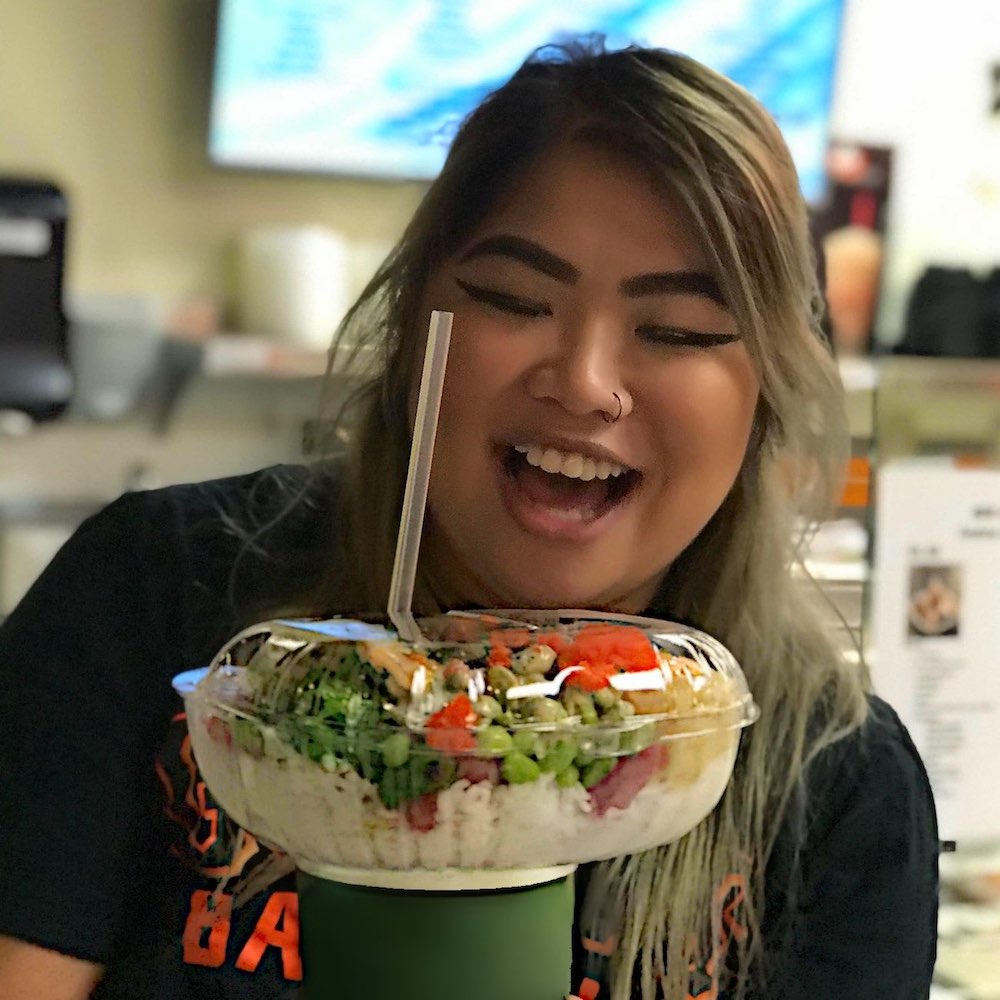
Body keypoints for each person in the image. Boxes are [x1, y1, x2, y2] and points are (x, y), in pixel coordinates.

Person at [0, 38, 938, 1000]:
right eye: (512, 299)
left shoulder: (839, 789)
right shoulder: (158, 587)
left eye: (678, 331)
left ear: (764, 398)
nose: (583, 382)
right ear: (411, 330)